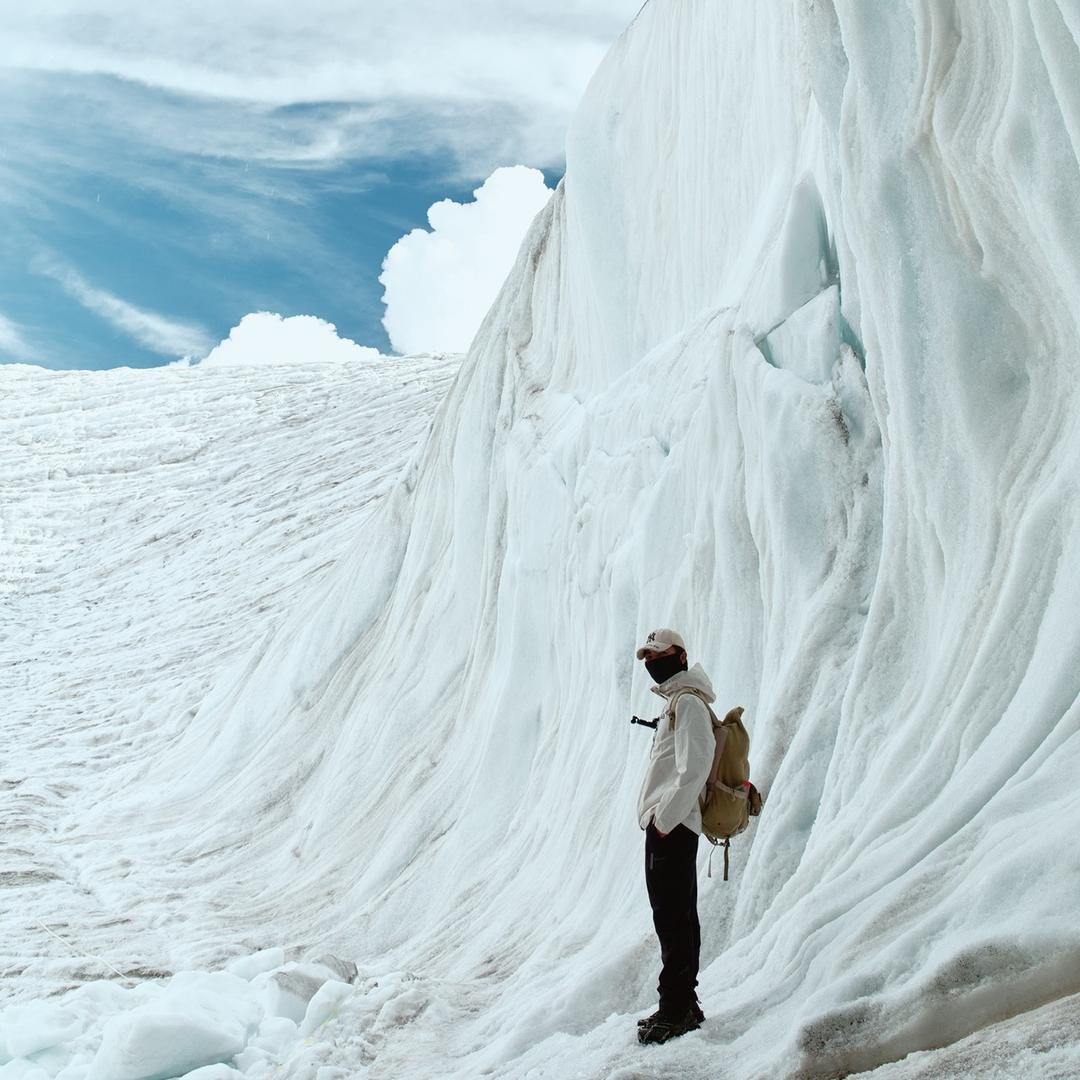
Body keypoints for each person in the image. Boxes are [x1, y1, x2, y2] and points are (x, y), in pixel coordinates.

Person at [634, 627, 716, 1045]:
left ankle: (677, 1009)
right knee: (677, 915)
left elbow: (695, 766)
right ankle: (683, 1003)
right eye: (647, 655)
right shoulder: (678, 703)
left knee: (673, 919)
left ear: (681, 657)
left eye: (659, 653)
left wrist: (664, 820)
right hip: (670, 825)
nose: (652, 661)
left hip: (674, 826)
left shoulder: (688, 704)